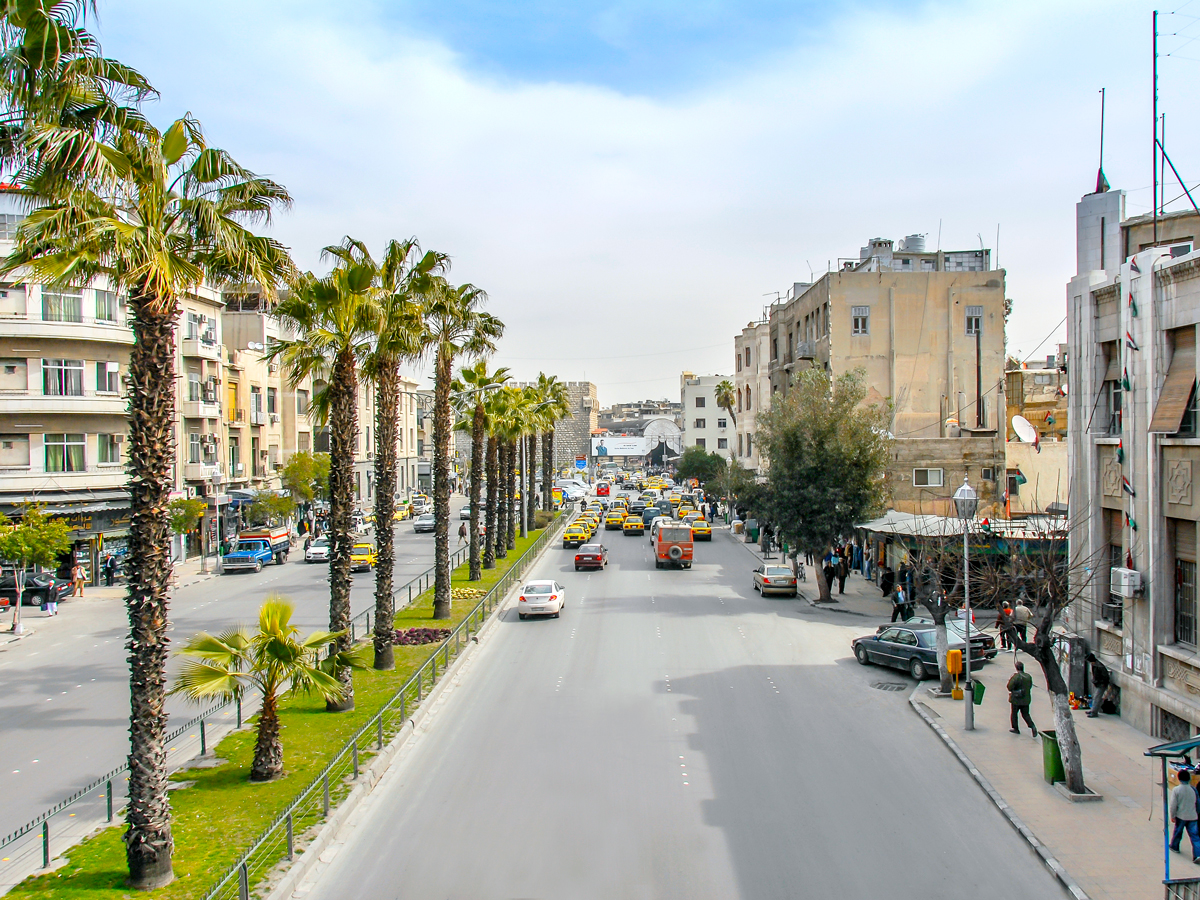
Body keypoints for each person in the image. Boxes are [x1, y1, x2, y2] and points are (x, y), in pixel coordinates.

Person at [1171, 769, 1200, 863]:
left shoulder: (1176, 790)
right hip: (1193, 816)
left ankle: (1175, 846)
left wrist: (1173, 815)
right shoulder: (1194, 789)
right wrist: (1197, 813)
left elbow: (1173, 804)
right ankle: (1197, 855)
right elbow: (1198, 803)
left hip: (1181, 816)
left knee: (1178, 832)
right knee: (1195, 836)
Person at [1007, 661, 1037, 736]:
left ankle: (1015, 728)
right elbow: (1029, 686)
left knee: (1014, 714)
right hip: (1026, 699)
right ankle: (1032, 726)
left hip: (1016, 700)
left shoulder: (1016, 677)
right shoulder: (1028, 676)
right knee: (1025, 714)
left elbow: (1009, 687)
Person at [1086, 652, 1117, 717]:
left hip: (1101, 684)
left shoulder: (1099, 666)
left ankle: (1094, 712)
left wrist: (1099, 682)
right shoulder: (1094, 665)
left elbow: (1105, 677)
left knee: (1097, 698)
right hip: (1098, 684)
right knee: (1095, 697)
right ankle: (1093, 710)